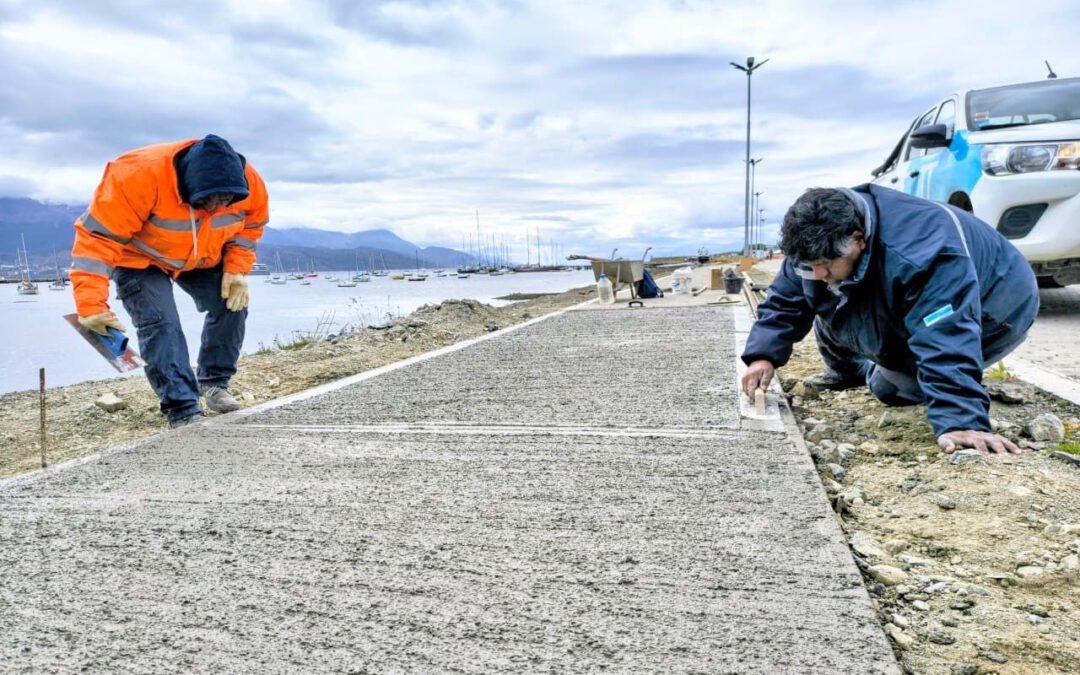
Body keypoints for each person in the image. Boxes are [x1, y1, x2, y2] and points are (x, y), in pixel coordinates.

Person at [741, 186, 1038, 455]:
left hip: (998, 305)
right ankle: (847, 372)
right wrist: (763, 357)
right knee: (831, 307)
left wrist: (961, 419)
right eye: (809, 266)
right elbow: (784, 303)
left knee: (889, 388)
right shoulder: (816, 246)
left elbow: (947, 333)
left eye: (824, 265)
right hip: (907, 288)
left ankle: (885, 372)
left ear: (857, 238)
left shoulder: (924, 252)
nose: (817, 274)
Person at [70, 135, 270, 428]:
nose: (216, 208)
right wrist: (90, 306)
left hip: (203, 254)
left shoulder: (249, 183)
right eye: (207, 200)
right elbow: (97, 240)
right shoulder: (136, 175)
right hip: (139, 260)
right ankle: (183, 409)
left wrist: (237, 268)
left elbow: (251, 226)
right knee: (161, 324)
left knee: (232, 303)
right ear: (187, 184)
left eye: (224, 201)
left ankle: (214, 383)